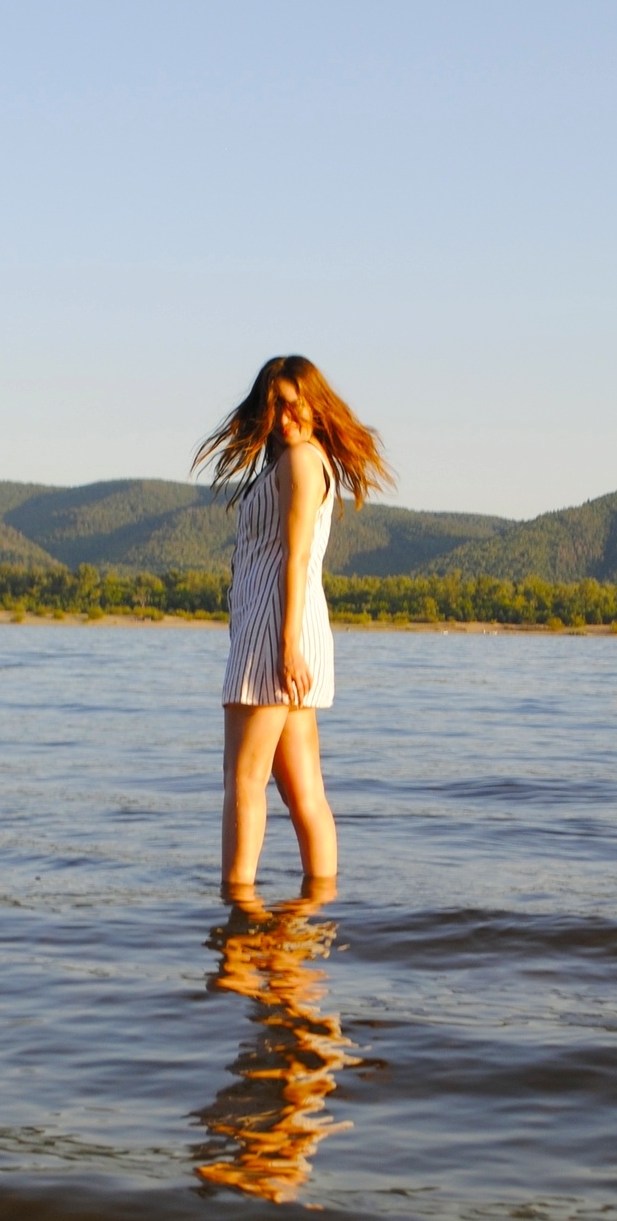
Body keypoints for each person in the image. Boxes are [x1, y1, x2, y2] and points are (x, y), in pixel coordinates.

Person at [194, 357, 390, 890]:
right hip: (282, 631)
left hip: (276, 633)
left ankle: (238, 906)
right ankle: (318, 911)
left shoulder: (303, 461)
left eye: (293, 403)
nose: (284, 417)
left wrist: (284, 644)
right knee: (302, 790)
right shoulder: (300, 460)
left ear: (313, 402)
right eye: (274, 404)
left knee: (245, 780)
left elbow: (297, 556)